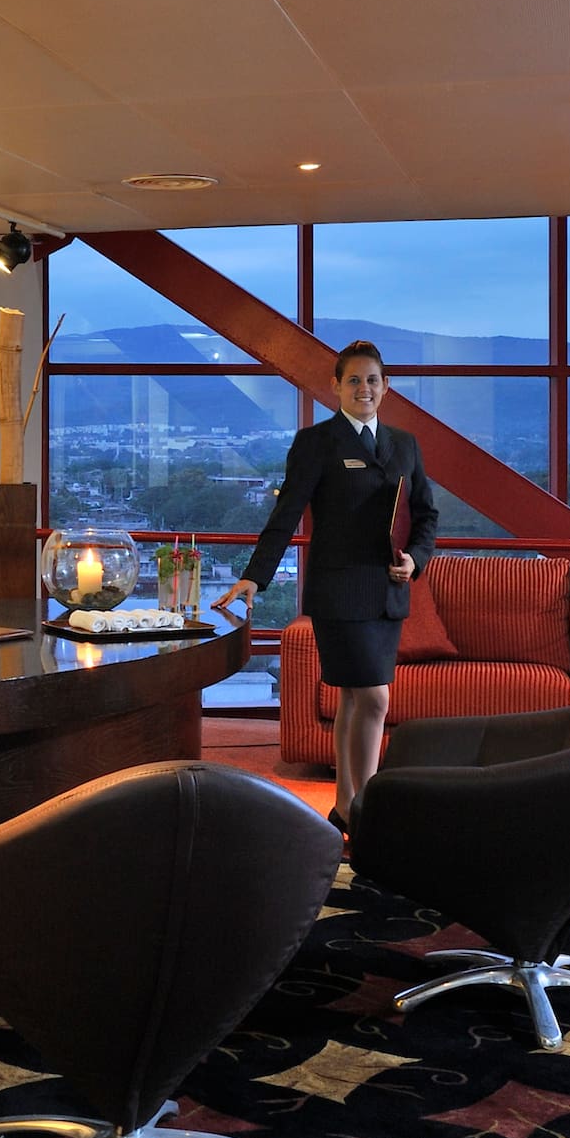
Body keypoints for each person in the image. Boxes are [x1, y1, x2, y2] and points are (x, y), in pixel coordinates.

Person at [213, 340, 438, 827]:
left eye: (372, 380)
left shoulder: (405, 444)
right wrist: (255, 576)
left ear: (386, 387)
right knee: (374, 697)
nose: (364, 388)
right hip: (339, 594)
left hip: (387, 593)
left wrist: (415, 562)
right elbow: (286, 514)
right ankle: (365, 810)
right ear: (335, 386)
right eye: (354, 380)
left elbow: (426, 517)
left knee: (356, 698)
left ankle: (343, 805)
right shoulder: (317, 443)